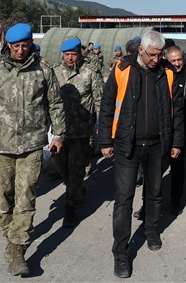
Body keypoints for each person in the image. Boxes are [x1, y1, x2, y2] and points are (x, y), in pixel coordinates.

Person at [0, 23, 66, 276]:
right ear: (7, 45)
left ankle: (17, 249)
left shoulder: (43, 70)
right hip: (0, 146)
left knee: (26, 195)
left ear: (31, 43)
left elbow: (55, 103)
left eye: (25, 45)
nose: (21, 50)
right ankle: (10, 235)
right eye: (16, 46)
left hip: (32, 146)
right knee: (4, 196)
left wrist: (59, 134)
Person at [97, 31, 185, 279]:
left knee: (154, 193)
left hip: (158, 145)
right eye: (153, 55)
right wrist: (105, 141)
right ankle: (120, 252)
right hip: (128, 146)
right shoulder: (122, 70)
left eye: (160, 55)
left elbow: (177, 111)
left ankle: (151, 230)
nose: (157, 59)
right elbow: (107, 105)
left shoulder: (168, 72)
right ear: (141, 51)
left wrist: (177, 141)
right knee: (124, 198)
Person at [53, 37, 104, 228]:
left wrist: (101, 125)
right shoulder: (54, 72)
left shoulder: (90, 72)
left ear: (79, 53)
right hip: (60, 131)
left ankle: (71, 208)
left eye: (73, 54)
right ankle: (76, 190)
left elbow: (99, 100)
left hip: (82, 131)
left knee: (76, 169)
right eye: (66, 55)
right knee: (62, 167)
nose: (69, 58)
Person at [165, 45, 186, 215]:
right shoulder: (160, 74)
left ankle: (175, 200)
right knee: (153, 170)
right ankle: (147, 206)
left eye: (180, 60)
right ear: (166, 60)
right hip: (161, 130)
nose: (177, 64)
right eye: (173, 61)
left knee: (178, 168)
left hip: (181, 129)